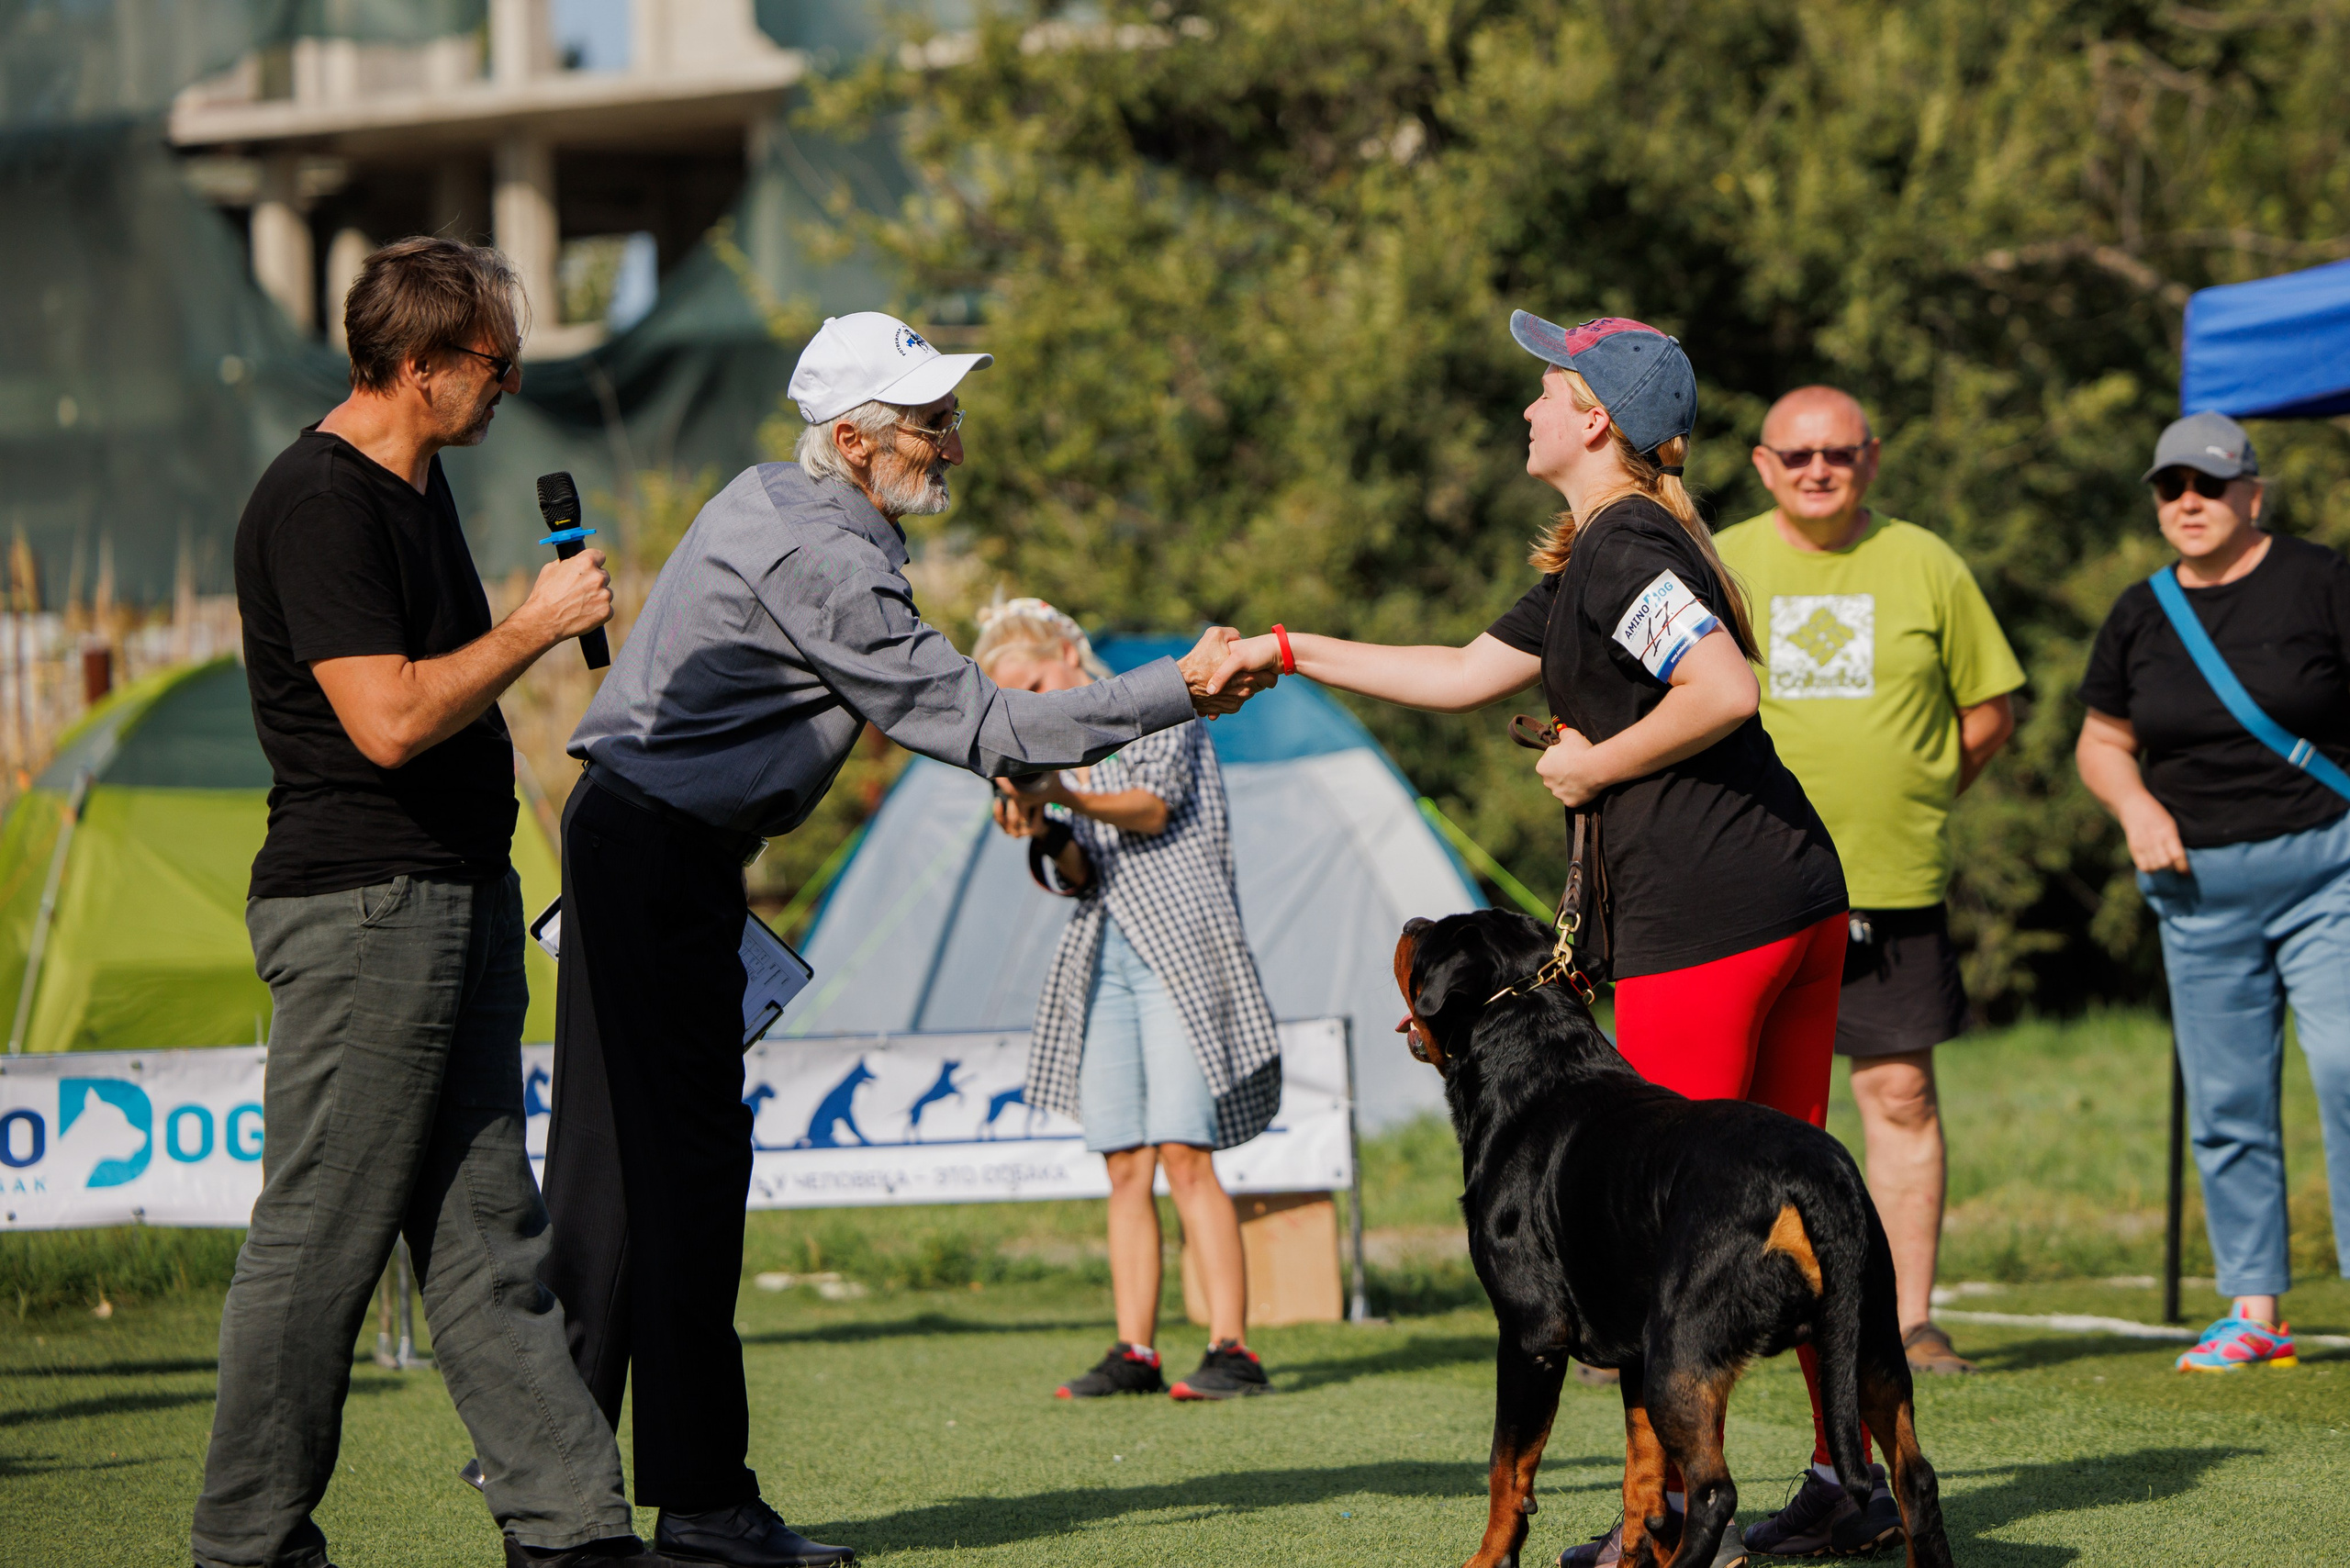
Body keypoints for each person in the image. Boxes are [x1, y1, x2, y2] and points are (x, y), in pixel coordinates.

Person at [541, 312, 1270, 1568]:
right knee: (682, 1184)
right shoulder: (829, 558)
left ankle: (549, 1482)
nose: (953, 442)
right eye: (929, 421)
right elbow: (988, 725)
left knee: (613, 1182)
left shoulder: (779, 498)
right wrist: (1178, 687)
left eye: (948, 415)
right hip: (657, 856)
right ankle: (697, 1508)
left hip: (639, 843)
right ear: (854, 438)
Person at [1210, 311, 1892, 1566]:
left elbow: (1725, 689)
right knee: (1777, 1206)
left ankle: (1659, 1521)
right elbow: (1466, 672)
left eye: (1544, 390)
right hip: (1791, 902)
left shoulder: (1626, 547)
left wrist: (1593, 770)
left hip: (1712, 921)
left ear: (1593, 420)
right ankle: (1843, 1481)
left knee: (1667, 1233)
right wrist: (1289, 651)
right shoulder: (1606, 550)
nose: (1524, 411)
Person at [196, 238, 655, 1568]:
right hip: (363, 910)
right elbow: (389, 720)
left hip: (453, 898)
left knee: (489, 1240)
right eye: (493, 364)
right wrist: (530, 623)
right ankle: (247, 1543)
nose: (510, 384)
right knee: (319, 1244)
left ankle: (570, 1530)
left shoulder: (418, 481)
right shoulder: (318, 502)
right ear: (418, 367)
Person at [1715, 386, 2024, 1385]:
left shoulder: (1926, 561)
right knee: (1718, 1105)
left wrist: (1917, 796)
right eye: (1796, 455)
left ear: (1871, 459)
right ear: (1762, 464)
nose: (1817, 470)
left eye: (1837, 454)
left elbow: (1987, 711)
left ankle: (1908, 1319)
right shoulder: (1716, 560)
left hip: (1887, 882)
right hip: (1740, 883)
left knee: (1897, 1095)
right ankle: (1687, 1309)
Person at [2076, 410, 2350, 1374]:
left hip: (2329, 867)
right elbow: (2101, 741)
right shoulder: (2140, 611)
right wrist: (2134, 806)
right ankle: (2255, 1307)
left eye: (2208, 483)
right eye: (2169, 487)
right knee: (2229, 1100)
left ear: (2252, 494)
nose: (2187, 501)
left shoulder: (2322, 580)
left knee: (2347, 1062)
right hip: (2197, 892)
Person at [976, 599, 1281, 1402]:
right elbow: (1080, 875)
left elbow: (1151, 809)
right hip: (1105, 948)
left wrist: (1060, 796)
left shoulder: (1162, 699)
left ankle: (1231, 1346)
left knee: (1186, 1151)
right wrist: (1041, 824)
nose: (1038, 702)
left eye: (1038, 682)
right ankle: (1135, 1348)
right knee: (1123, 1160)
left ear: (1069, 655)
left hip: (1181, 942)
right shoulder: (1059, 754)